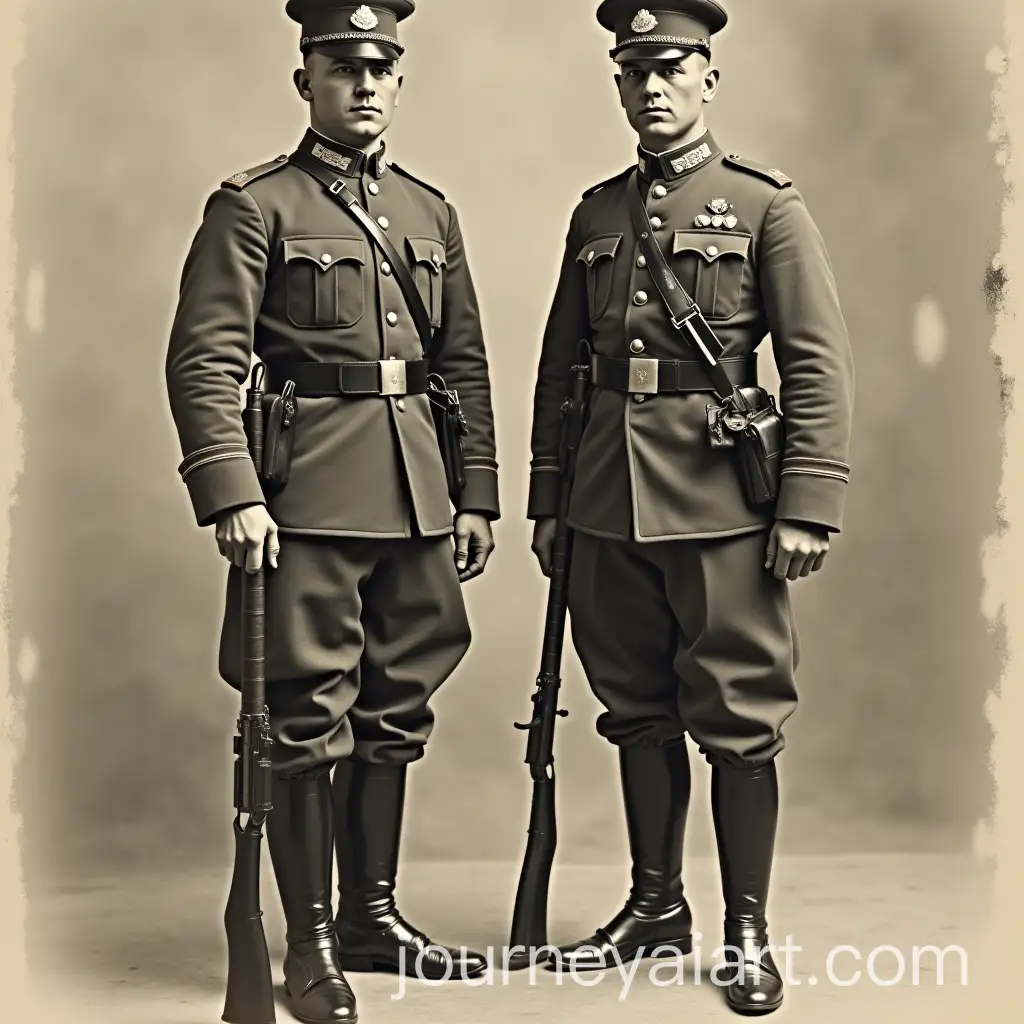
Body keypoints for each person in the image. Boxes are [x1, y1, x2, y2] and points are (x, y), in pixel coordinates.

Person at [164, 2, 500, 1020]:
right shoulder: (254, 206)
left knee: (397, 708)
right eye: (341, 64)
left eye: (380, 67)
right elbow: (203, 358)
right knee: (306, 719)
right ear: (303, 76)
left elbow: (463, 364)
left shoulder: (428, 212)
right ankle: (308, 946)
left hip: (416, 498)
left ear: (399, 80)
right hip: (303, 501)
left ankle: (371, 917)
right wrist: (233, 492)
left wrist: (475, 494)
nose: (363, 84)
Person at [526, 0, 854, 1014]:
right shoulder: (595, 213)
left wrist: (807, 502)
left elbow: (814, 365)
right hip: (603, 502)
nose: (653, 87)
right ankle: (656, 903)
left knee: (739, 721)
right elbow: (559, 367)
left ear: (708, 77)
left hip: (721, 507)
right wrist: (547, 499)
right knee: (633, 709)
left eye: (673, 68)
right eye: (635, 71)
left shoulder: (764, 207)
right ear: (618, 84)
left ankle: (745, 926)